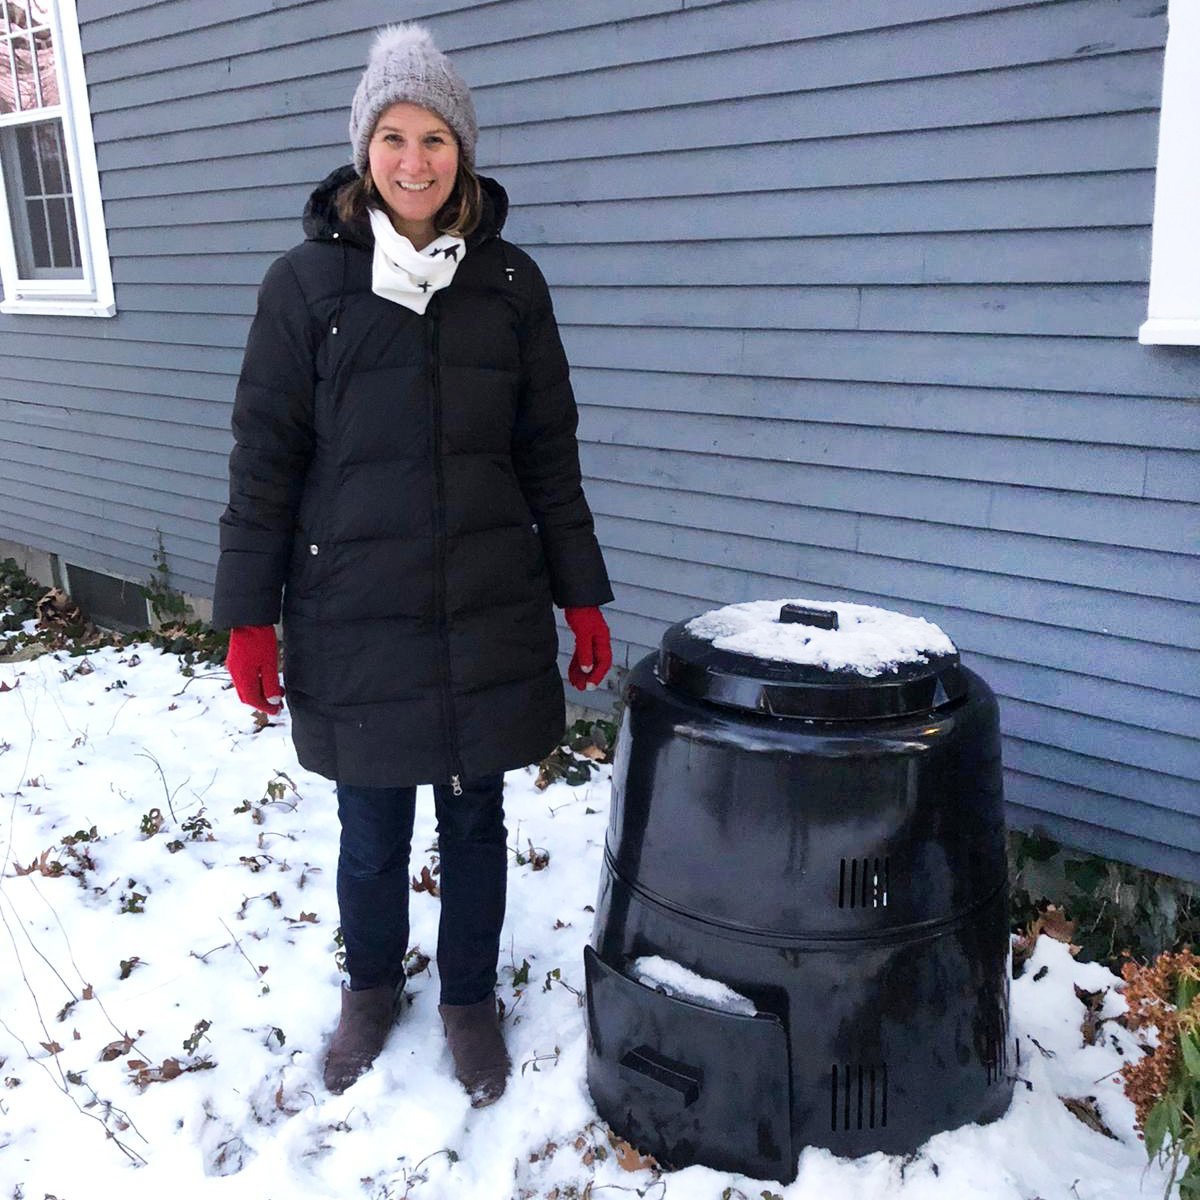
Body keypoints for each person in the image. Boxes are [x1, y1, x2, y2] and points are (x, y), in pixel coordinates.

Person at [211, 23, 613, 1108]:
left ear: (462, 152)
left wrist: (581, 592)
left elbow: (547, 451)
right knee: (372, 818)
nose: (415, 160)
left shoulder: (512, 285)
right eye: (393, 135)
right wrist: (250, 615)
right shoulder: (304, 288)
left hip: (486, 603)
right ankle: (372, 988)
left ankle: (469, 999)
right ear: (364, 149)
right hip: (356, 609)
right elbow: (265, 460)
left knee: (476, 813)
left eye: (435, 136)